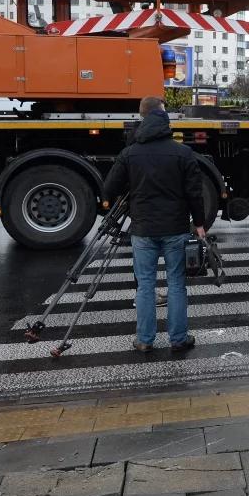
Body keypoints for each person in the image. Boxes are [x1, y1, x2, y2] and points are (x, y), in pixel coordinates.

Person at [102, 97, 205, 354]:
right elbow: (195, 193)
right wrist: (200, 224)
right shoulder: (183, 153)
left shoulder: (130, 153)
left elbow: (108, 189)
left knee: (145, 285)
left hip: (143, 230)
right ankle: (179, 338)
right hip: (175, 228)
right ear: (164, 118)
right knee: (176, 284)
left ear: (142, 118)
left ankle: (145, 340)